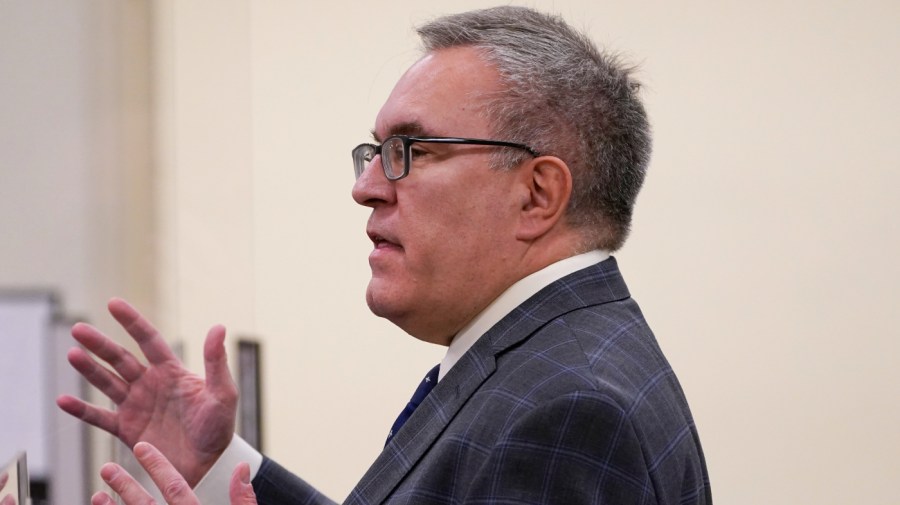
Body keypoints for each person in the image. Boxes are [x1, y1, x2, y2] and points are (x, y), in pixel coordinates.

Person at [59, 6, 712, 504]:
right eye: (374, 152)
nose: (366, 186)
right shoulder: (551, 354)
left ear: (537, 193)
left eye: (412, 152)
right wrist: (228, 462)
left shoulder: (568, 410)